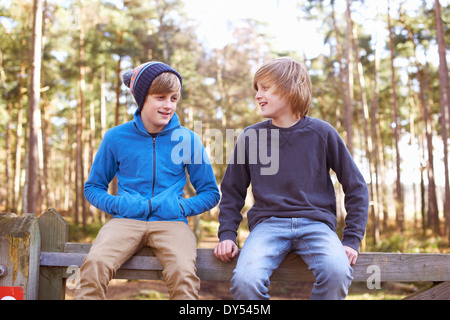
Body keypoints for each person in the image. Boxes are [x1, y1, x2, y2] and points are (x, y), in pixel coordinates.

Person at [214, 57, 369, 300]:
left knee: (338, 272)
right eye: (257, 89)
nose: (258, 95)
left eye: (265, 88)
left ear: (290, 88)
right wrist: (227, 235)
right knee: (245, 281)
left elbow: (356, 187)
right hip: (267, 226)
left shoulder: (322, 132)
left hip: (317, 226)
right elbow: (232, 191)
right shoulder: (250, 137)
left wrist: (351, 239)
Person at [74, 61, 220, 300]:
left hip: (173, 222)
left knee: (184, 273)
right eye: (160, 97)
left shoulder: (188, 139)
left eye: (174, 98)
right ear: (142, 99)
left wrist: (180, 207)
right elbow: (93, 187)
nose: (168, 105)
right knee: (94, 265)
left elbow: (210, 193)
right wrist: (120, 205)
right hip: (125, 220)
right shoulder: (115, 137)